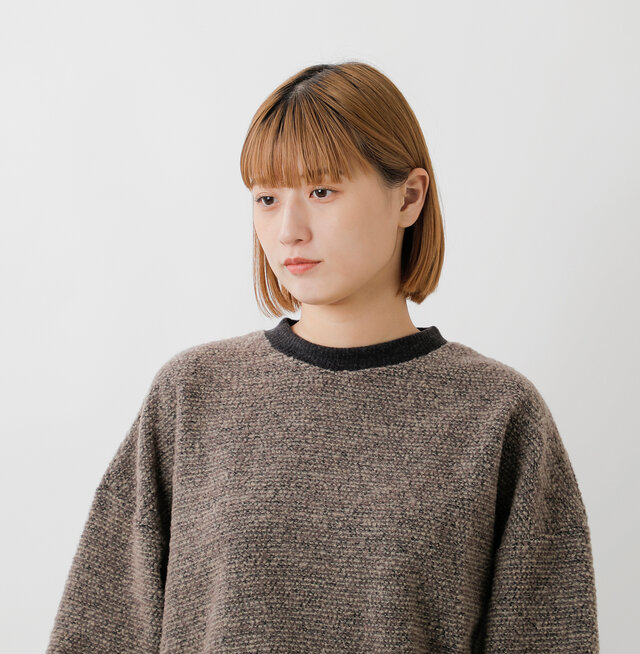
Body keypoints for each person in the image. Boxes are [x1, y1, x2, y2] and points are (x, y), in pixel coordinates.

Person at [46, 61, 599, 653]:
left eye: (321, 191)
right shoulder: (193, 393)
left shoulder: (499, 414)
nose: (288, 229)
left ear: (409, 197)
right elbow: (99, 634)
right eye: (267, 198)